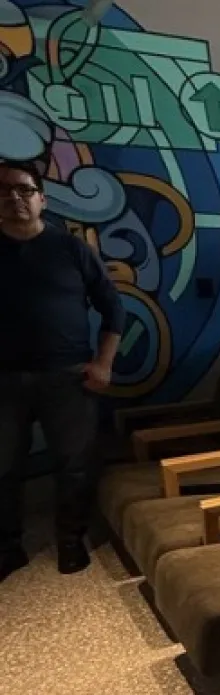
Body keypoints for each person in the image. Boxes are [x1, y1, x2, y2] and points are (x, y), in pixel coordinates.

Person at [0, 161, 124, 581]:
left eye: (24, 190)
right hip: (4, 381)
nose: (14, 197)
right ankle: (8, 549)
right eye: (4, 191)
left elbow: (113, 309)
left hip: (69, 378)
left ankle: (71, 542)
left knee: (75, 465)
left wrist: (104, 364)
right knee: (3, 469)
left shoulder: (72, 249)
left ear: (42, 199)